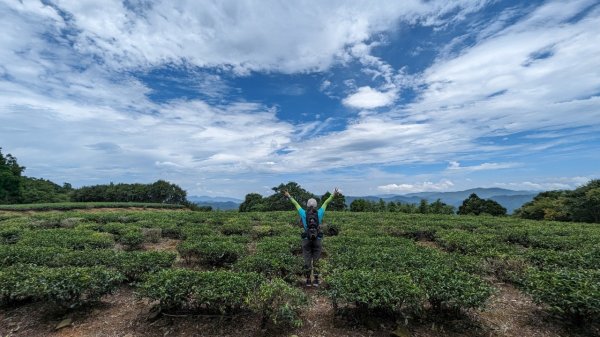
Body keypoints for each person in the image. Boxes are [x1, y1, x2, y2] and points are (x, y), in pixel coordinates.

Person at [284, 188, 339, 287]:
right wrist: (333, 194)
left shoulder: (303, 213)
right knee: (317, 259)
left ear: (307, 205)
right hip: (317, 239)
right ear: (316, 205)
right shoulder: (320, 213)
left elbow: (295, 204)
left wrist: (289, 196)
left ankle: (308, 280)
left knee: (307, 259)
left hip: (306, 239)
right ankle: (317, 280)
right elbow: (326, 202)